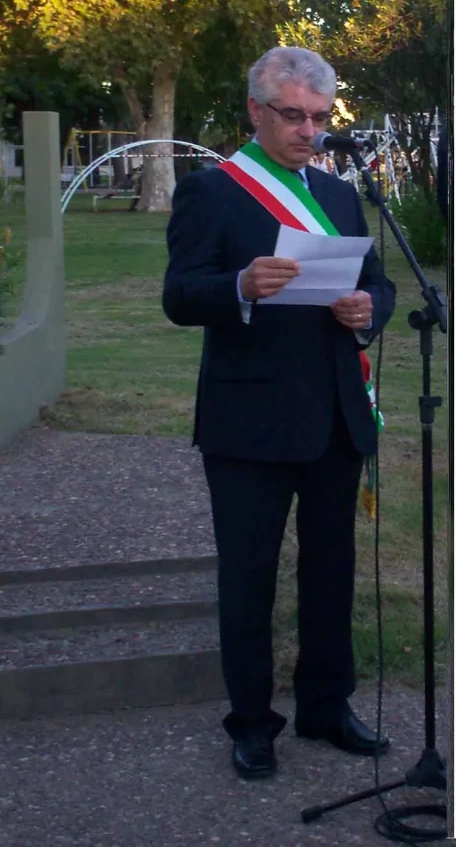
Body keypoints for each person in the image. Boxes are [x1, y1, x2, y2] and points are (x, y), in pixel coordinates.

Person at [162, 46, 395, 780]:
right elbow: (179, 294)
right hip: (249, 424)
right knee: (250, 579)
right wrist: (239, 283)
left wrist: (367, 310)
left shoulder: (339, 194)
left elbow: (379, 287)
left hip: (332, 414)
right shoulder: (212, 191)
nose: (308, 130)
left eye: (320, 118)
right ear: (256, 112)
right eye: (293, 115)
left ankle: (328, 706)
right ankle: (253, 722)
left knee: (332, 572)